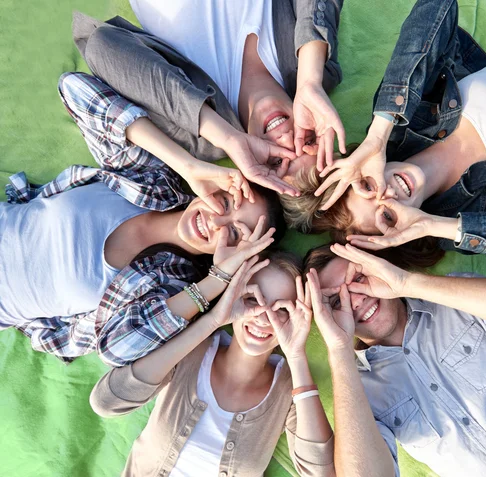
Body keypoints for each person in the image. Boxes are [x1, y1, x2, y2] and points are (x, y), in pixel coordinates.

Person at [0, 72, 284, 366]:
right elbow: (75, 89)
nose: (215, 222)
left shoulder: (173, 290)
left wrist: (218, 280)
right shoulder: (152, 182)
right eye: (225, 203)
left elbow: (115, 349)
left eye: (236, 234)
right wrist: (187, 166)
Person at [287, 0, 486, 268]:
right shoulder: (470, 216)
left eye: (369, 185)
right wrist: (438, 227)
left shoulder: (407, 120)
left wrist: (377, 136)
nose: (389, 193)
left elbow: (438, 8)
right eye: (387, 216)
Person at [304, 243, 486, 477]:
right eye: (335, 301)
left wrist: (406, 283)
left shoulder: (454, 297)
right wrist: (339, 349)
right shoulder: (359, 394)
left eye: (358, 278)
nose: (355, 299)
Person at [90, 251, 334, 477]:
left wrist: (296, 355)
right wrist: (215, 319)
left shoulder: (291, 391)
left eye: (281, 309)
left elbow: (320, 472)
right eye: (252, 299)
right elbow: (107, 402)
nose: (262, 315)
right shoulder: (190, 350)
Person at [71, 0, 346, 197]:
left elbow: (101, 45)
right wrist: (310, 81)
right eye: (307, 140)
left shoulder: (201, 135)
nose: (286, 138)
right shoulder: (312, 67)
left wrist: (226, 136)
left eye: (276, 160)